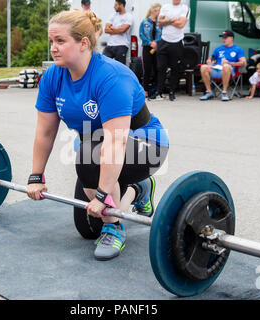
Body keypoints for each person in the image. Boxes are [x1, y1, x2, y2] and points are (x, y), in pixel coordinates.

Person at [27, 10, 169, 261]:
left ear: (83, 43)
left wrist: (103, 196)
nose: (53, 48)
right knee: (87, 228)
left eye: (60, 41)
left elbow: (115, 142)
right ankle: (139, 190)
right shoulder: (52, 76)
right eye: (52, 42)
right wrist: (36, 176)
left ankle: (115, 228)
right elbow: (46, 131)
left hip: (146, 146)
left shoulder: (111, 77)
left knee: (90, 159)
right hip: (97, 153)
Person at [155, 0, 189, 102]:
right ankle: (159, 92)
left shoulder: (185, 8)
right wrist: (173, 20)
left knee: (175, 68)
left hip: (177, 42)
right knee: (161, 67)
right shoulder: (165, 7)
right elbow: (159, 22)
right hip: (164, 41)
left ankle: (172, 92)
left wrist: (167, 21)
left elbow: (181, 24)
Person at [199, 30, 247, 101]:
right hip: (216, 69)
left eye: (226, 38)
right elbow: (210, 59)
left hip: (229, 71)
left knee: (226, 66)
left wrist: (230, 63)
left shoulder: (238, 49)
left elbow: (244, 63)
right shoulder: (218, 49)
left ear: (231, 38)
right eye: (223, 38)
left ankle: (224, 92)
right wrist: (209, 61)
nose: (223, 39)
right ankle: (209, 92)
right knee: (203, 67)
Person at [139, 3, 162, 100]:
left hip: (156, 48)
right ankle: (145, 90)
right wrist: (149, 42)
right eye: (159, 11)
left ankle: (157, 90)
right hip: (147, 47)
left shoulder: (159, 23)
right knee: (147, 69)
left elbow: (162, 35)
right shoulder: (144, 22)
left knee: (157, 68)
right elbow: (141, 34)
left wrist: (156, 42)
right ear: (155, 11)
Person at [103, 0, 133, 65]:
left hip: (122, 45)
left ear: (121, 5)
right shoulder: (113, 15)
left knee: (120, 66)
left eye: (116, 5)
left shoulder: (128, 16)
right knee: (103, 63)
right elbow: (106, 30)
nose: (114, 7)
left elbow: (123, 30)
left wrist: (112, 28)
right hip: (110, 45)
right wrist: (118, 29)